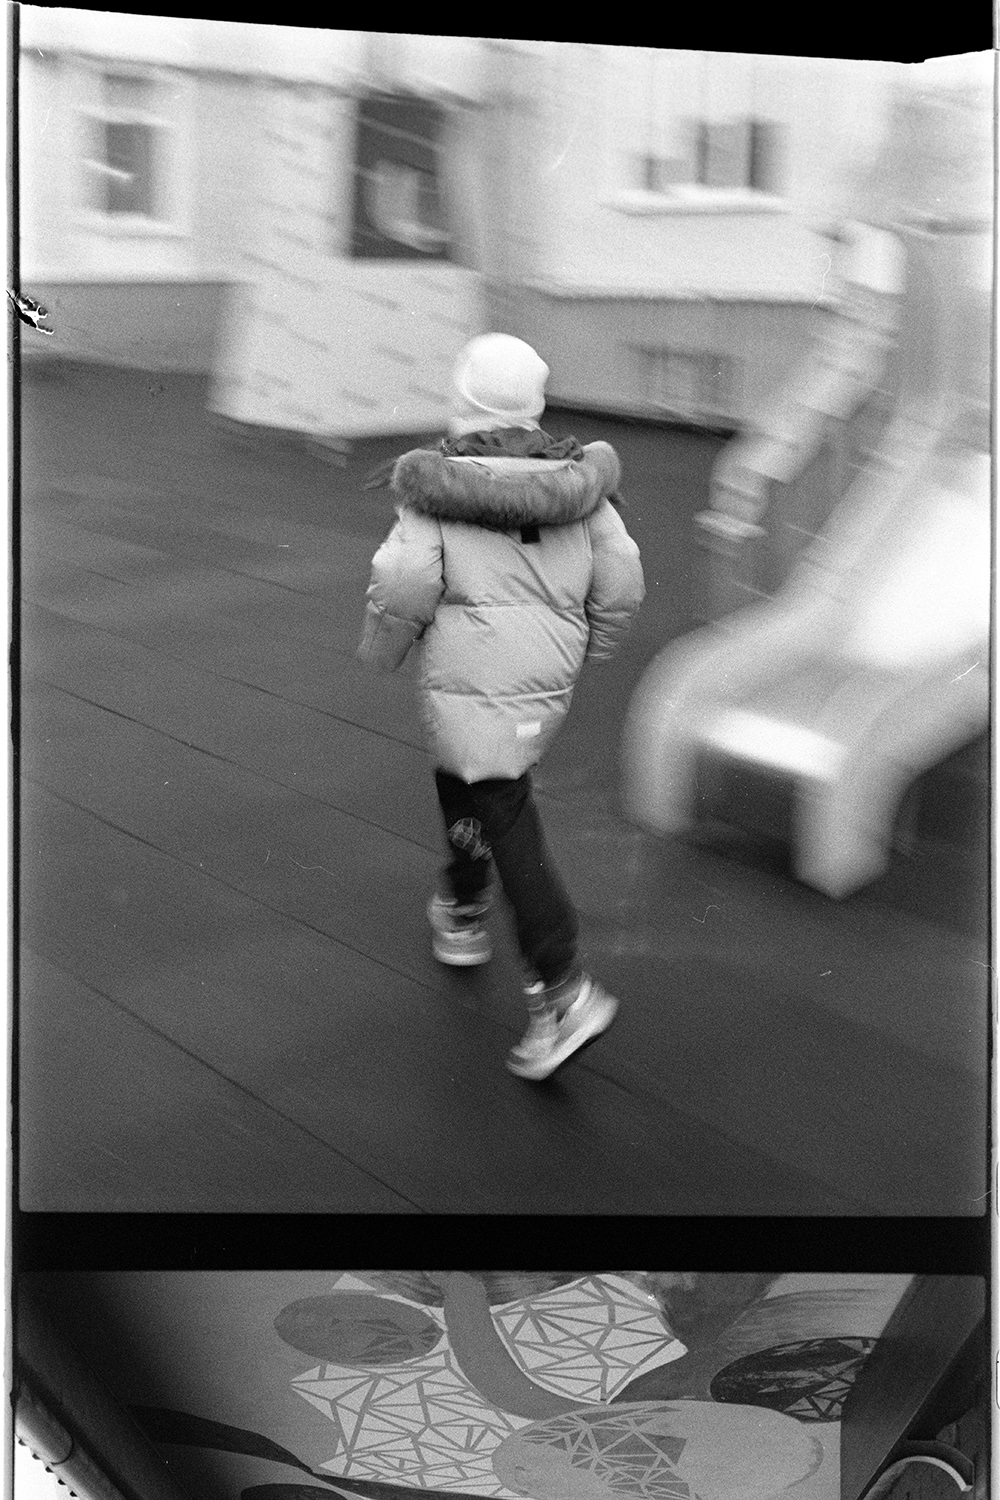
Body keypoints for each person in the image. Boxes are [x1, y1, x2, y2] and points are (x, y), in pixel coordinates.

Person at [358, 333, 645, 1079]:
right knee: (470, 777)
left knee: (499, 801)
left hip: (470, 668)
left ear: (464, 401)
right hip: (543, 672)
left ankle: (564, 988)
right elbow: (621, 576)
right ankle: (462, 907)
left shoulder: (436, 488)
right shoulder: (579, 484)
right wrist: (591, 645)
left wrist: (382, 651)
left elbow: (404, 582)